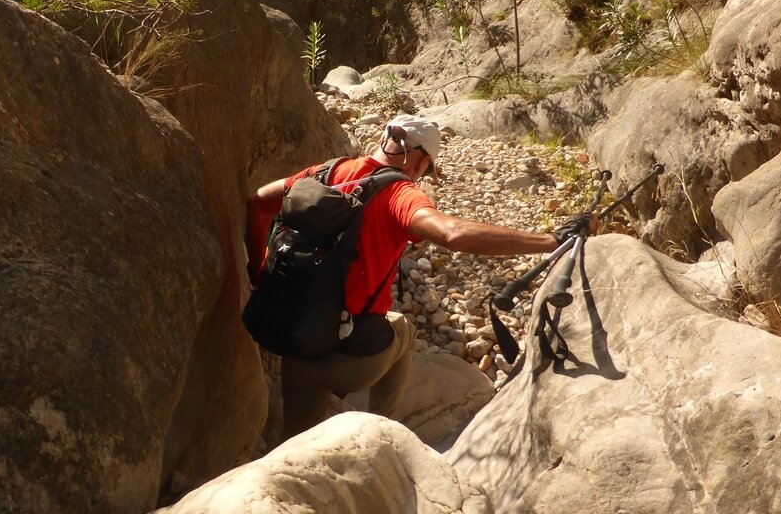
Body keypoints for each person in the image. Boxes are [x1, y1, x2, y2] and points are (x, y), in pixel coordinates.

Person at [244, 114, 599, 438]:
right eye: (427, 170)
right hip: (351, 355)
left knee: (291, 443)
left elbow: (258, 201)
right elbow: (453, 234)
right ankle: (386, 432)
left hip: (292, 338)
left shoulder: (328, 172)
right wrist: (550, 241)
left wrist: (258, 272)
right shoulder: (400, 193)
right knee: (404, 331)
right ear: (421, 160)